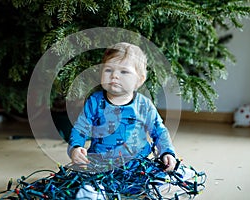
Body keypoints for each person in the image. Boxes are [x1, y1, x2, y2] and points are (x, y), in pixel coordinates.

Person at [67, 42, 176, 172]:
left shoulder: (144, 105)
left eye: (124, 72)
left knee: (154, 180)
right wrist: (75, 148)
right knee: (83, 182)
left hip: (137, 163)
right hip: (100, 163)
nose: (114, 75)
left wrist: (167, 152)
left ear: (139, 80)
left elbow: (159, 131)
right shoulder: (94, 101)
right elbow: (80, 128)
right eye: (108, 70)